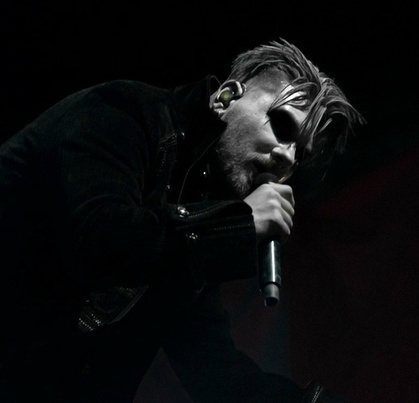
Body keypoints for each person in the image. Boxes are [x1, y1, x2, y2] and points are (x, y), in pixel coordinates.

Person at [0, 38, 363, 402]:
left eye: (301, 155)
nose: (288, 158)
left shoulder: (196, 217)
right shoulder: (125, 112)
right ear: (225, 98)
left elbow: (215, 373)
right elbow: (98, 238)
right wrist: (236, 222)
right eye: (282, 126)